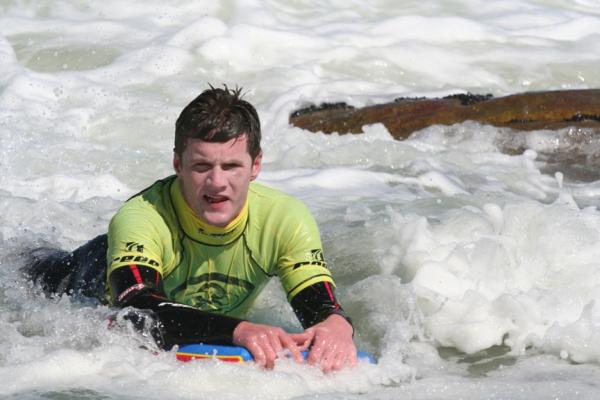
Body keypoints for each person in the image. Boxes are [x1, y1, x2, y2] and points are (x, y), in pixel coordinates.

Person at [24, 85, 356, 372]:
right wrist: (239, 331)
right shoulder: (141, 218)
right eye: (201, 166)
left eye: (231, 166)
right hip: (73, 281)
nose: (217, 183)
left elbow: (320, 307)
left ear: (256, 165)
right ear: (177, 164)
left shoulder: (285, 219)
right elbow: (137, 311)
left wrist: (336, 325)